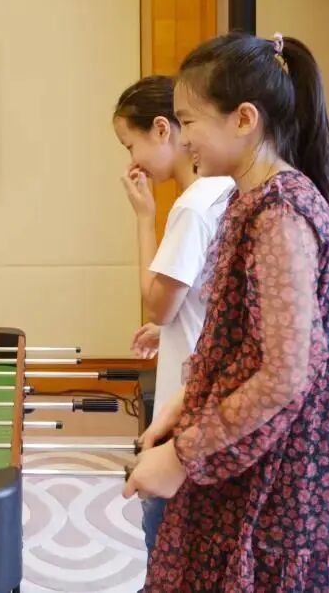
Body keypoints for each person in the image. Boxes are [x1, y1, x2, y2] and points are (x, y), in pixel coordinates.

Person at [123, 32, 329, 591]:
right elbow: (243, 342)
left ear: (244, 119)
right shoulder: (247, 200)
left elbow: (283, 374)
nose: (183, 137)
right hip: (265, 433)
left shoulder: (279, 216)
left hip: (298, 459)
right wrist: (184, 403)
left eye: (189, 121)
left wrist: (182, 456)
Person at [112, 75, 233, 557]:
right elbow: (203, 301)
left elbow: (157, 304)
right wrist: (169, 331)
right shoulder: (228, 191)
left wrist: (144, 218)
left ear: (163, 129)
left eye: (130, 144)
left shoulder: (193, 206)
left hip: (191, 401)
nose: (131, 160)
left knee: (166, 543)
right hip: (213, 390)